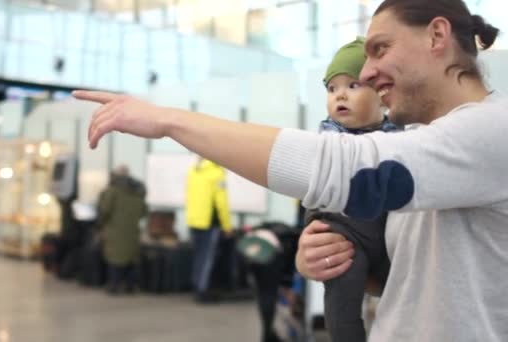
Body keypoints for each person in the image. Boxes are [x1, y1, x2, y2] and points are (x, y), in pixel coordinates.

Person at [73, 1, 508, 340]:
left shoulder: (493, 129)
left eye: (380, 49)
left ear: (436, 35)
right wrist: (332, 258)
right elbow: (426, 283)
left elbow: (343, 167)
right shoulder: (423, 143)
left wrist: (171, 121)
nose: (370, 72)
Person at [305, 37, 401, 342]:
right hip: (344, 236)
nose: (339, 96)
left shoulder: (400, 137)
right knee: (342, 307)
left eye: (353, 86)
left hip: (387, 234)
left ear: (381, 95)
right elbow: (312, 187)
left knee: (406, 292)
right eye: (332, 89)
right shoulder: (327, 140)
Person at [186, 157, 232, 302]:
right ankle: (202, 291)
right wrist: (227, 226)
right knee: (207, 259)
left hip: (194, 221)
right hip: (209, 223)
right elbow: (221, 203)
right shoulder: (217, 173)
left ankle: (196, 286)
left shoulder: (194, 171)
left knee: (198, 256)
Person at [96, 165, 147, 294]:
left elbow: (105, 210)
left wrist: (100, 224)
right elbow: (144, 212)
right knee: (131, 258)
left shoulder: (112, 190)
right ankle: (130, 286)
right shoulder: (138, 190)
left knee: (115, 258)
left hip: (115, 230)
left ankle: (114, 285)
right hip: (132, 231)